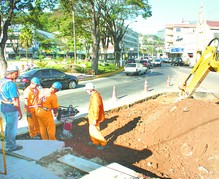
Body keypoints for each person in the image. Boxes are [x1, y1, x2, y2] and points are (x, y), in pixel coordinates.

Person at [0, 65, 23, 151]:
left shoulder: (2, 81)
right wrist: (19, 112)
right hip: (11, 108)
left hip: (3, 106)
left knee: (8, 126)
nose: (17, 75)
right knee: (12, 128)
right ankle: (11, 146)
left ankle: (8, 143)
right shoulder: (11, 85)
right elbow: (15, 100)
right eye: (17, 73)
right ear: (12, 73)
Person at [85, 82, 108, 150]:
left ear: (90, 90)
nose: (86, 91)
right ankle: (95, 142)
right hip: (92, 117)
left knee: (95, 131)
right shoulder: (93, 95)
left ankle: (104, 144)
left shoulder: (95, 97)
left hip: (94, 117)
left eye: (86, 90)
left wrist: (95, 118)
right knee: (91, 130)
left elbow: (96, 108)